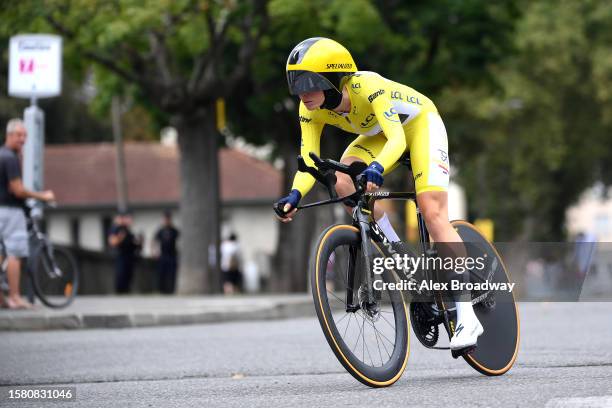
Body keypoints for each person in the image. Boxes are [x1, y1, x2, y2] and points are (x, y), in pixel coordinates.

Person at [274, 38, 482, 350]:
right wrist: (293, 196)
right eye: (296, 85)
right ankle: (394, 248)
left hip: (418, 125)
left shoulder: (367, 85)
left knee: (432, 211)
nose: (302, 94)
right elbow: (308, 163)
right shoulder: (311, 110)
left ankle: (467, 313)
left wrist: (377, 167)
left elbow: (397, 139)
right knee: (343, 181)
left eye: (308, 84)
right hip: (377, 136)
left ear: (332, 79)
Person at [0, 118, 55, 309]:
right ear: (9, 135)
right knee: (14, 252)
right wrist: (42, 195)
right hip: (10, 211)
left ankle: (2, 300)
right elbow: (18, 190)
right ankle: (15, 297)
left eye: (25, 136)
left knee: (1, 253)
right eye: (19, 135)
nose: (23, 139)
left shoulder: (1, 155)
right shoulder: (10, 158)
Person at [108, 212, 142, 294]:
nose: (130, 221)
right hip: (121, 256)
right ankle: (119, 292)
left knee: (128, 276)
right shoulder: (116, 229)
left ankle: (126, 291)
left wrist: (138, 243)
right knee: (121, 275)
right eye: (128, 218)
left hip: (129, 257)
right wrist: (120, 238)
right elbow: (112, 242)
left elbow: (133, 244)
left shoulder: (128, 230)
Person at [153, 211, 179, 294]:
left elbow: (181, 240)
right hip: (163, 255)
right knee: (161, 274)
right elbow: (154, 241)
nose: (167, 221)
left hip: (172, 255)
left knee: (172, 274)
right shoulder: (160, 230)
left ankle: (171, 290)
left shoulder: (174, 230)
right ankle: (161, 290)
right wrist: (155, 251)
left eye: (168, 219)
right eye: (165, 219)